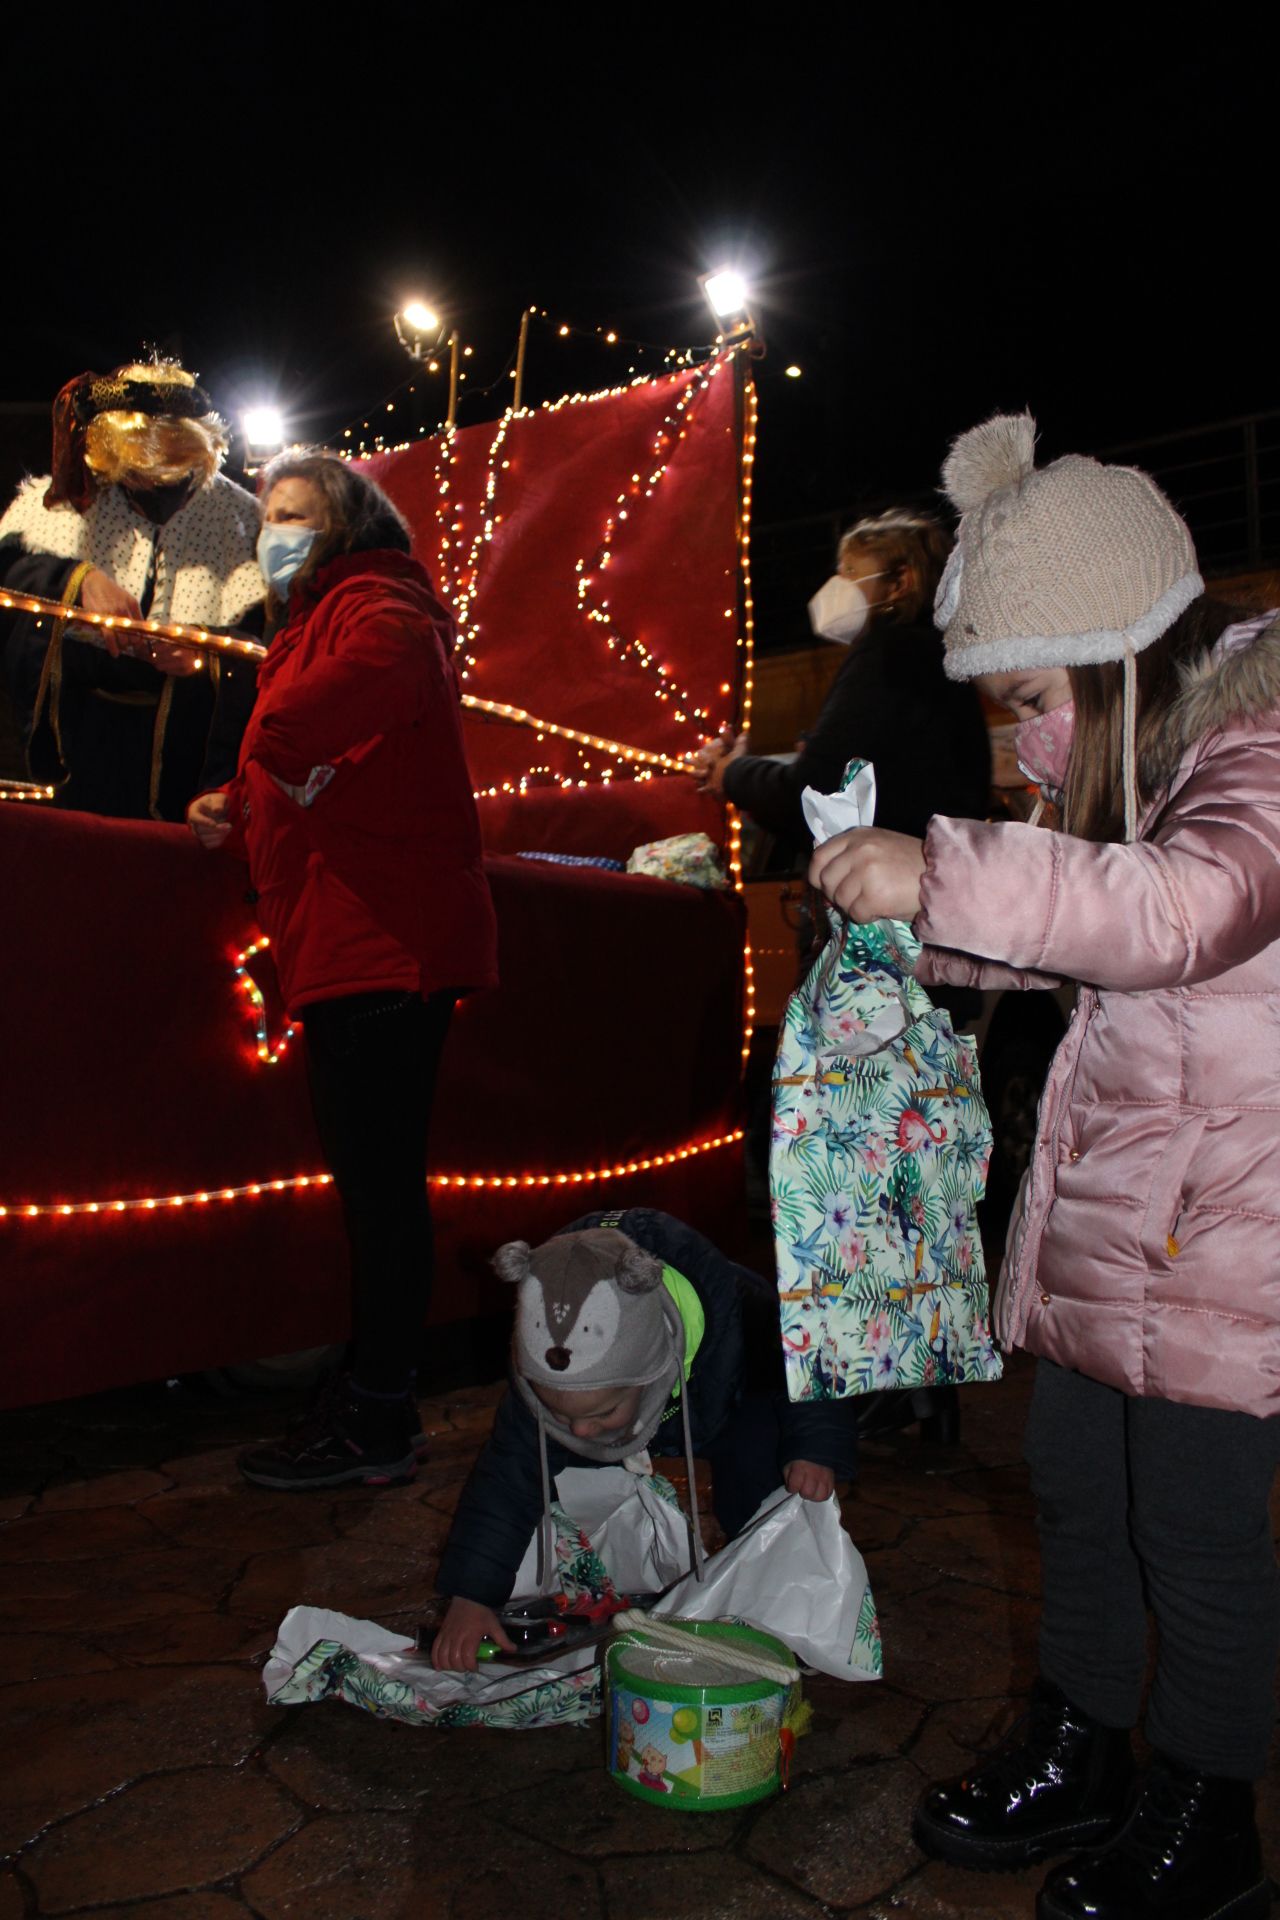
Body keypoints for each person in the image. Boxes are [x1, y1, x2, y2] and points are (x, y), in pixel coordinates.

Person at [809, 412, 1280, 1920]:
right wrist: (918, 925)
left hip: (1225, 1253)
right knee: (1074, 1490)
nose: (1025, 746)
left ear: (1115, 646)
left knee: (1195, 1537)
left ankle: (1209, 1809)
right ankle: (1083, 1745)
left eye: (1030, 700)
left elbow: (1177, 914)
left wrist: (947, 862)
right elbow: (1083, 932)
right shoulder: (1133, 782)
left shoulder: (1259, 754)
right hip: (1109, 1232)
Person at [188, 449, 498, 1490]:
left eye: (296, 514)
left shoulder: (376, 601)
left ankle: (377, 1415)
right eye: (269, 514)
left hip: (384, 938)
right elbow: (312, 792)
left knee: (380, 1189)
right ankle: (375, 1399)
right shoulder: (317, 623)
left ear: (345, 527)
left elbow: (333, 713)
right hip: (346, 938)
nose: (275, 530)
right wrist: (233, 814)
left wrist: (269, 739)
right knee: (374, 1183)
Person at [430, 1208, 857, 1671]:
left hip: (729, 1401)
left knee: (762, 1476)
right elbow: (506, 1481)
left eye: (600, 1413)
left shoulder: (746, 1313)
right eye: (558, 1412)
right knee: (534, 1463)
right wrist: (471, 1596)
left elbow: (810, 1369)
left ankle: (777, 1596)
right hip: (652, 1405)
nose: (580, 1431)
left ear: (652, 1368)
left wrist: (815, 1449)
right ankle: (604, 1576)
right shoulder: (551, 1386)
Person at [0, 360, 263, 818]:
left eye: (174, 476)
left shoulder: (243, 519)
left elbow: (269, 645)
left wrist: (203, 655)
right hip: (84, 742)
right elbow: (11, 573)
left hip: (188, 752)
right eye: (138, 477)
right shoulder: (75, 495)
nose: (155, 491)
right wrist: (78, 579)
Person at [692, 509, 991, 847]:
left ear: (899, 583)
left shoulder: (889, 653)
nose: (838, 585)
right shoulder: (931, 656)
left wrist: (731, 773)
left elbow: (812, 796)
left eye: (851, 571)